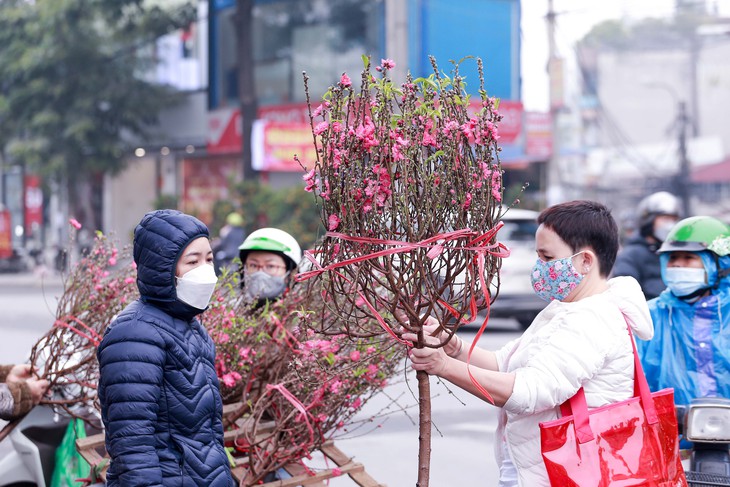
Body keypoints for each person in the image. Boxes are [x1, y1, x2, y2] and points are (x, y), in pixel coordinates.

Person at [404, 200, 654, 487]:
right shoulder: (565, 308)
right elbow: (505, 364)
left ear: (585, 261)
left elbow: (528, 392)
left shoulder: (593, 319)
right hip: (541, 470)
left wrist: (444, 366)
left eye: (547, 258)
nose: (539, 267)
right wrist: (453, 347)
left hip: (567, 474)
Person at [97, 209, 234, 486]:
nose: (205, 271)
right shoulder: (133, 334)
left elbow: (207, 434)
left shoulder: (191, 327)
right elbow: (132, 445)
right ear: (161, 267)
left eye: (209, 259)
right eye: (192, 261)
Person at [636, 215, 730, 406]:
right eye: (672, 258)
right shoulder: (649, 315)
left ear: (718, 264)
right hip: (671, 433)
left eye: (689, 258)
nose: (678, 264)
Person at [612, 191, 681, 299]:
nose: (670, 225)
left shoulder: (676, 253)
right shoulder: (631, 256)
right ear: (649, 220)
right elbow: (625, 296)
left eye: (674, 220)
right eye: (665, 219)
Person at [238, 227, 302, 305]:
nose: (260, 273)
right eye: (253, 265)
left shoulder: (303, 313)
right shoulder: (228, 312)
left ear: (291, 273)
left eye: (270, 266)